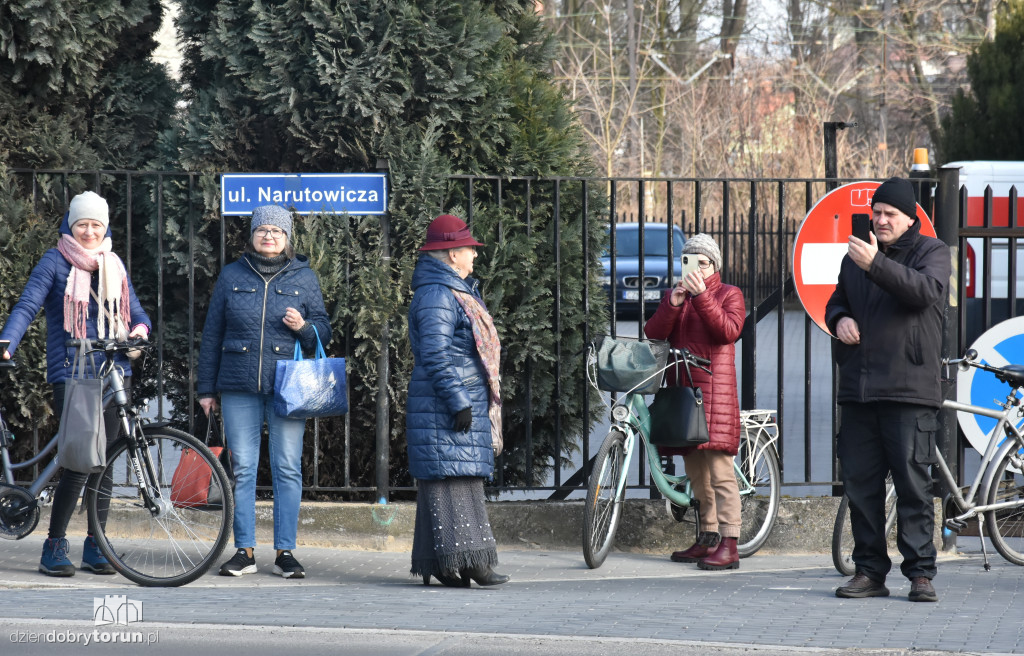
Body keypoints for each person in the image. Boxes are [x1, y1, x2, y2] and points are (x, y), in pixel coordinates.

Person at [0, 191, 152, 576]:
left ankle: (95, 545)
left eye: (96, 225)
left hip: (116, 372)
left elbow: (137, 313)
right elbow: (28, 304)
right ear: (71, 224)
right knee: (79, 462)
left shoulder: (113, 265)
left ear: (105, 228)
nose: (88, 231)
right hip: (73, 372)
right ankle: (54, 545)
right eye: (82, 223)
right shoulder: (55, 261)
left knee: (105, 463)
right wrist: (7, 342)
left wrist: (139, 329)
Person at [825, 176, 950, 602]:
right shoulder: (855, 256)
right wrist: (839, 319)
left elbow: (923, 292)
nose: (879, 220)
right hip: (859, 391)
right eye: (876, 213)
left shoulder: (931, 252)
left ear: (909, 217)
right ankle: (869, 572)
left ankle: (920, 574)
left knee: (914, 489)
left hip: (909, 392)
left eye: (888, 214)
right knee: (862, 489)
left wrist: (875, 264)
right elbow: (836, 301)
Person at [197, 204, 331, 580]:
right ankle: (245, 551)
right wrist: (206, 389)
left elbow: (324, 329)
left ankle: (285, 552)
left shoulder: (304, 277)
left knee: (287, 468)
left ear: (287, 238)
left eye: (277, 231)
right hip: (238, 385)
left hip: (289, 387)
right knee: (242, 470)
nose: (269, 235)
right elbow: (212, 336)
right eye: (263, 230)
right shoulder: (231, 276)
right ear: (253, 235)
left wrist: (304, 327)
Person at [406, 214, 509, 588]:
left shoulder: (450, 290)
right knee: (455, 479)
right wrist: (458, 402)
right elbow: (434, 353)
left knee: (452, 477)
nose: (475, 257)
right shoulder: (437, 293)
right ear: (451, 254)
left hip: (449, 400)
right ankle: (472, 564)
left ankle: (446, 564)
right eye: (470, 250)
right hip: (444, 404)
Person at [644, 233, 746, 570]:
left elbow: (727, 331)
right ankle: (708, 537)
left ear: (714, 266)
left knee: (719, 471)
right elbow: (654, 333)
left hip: (714, 394)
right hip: (684, 394)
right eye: (690, 262)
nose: (697, 269)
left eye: (703, 263)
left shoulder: (729, 294)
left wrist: (702, 296)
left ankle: (730, 542)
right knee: (696, 470)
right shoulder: (679, 296)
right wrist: (672, 304)